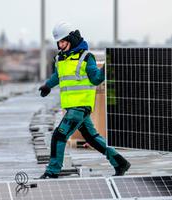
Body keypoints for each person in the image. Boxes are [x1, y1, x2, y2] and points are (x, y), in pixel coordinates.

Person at [38, 21, 130, 178]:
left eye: (62, 42)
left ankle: (52, 172)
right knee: (92, 138)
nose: (59, 46)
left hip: (80, 107)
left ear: (71, 39)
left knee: (59, 136)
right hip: (71, 107)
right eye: (58, 43)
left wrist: (105, 69)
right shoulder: (60, 59)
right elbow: (58, 76)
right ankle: (120, 162)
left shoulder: (87, 58)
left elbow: (95, 79)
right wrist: (48, 86)